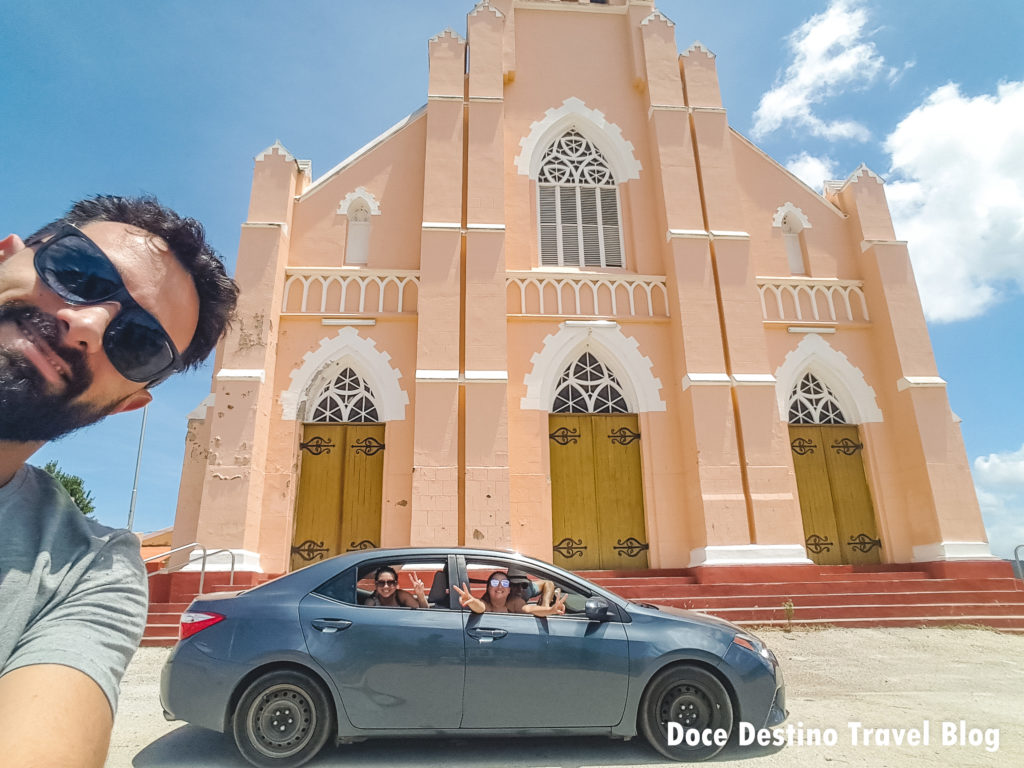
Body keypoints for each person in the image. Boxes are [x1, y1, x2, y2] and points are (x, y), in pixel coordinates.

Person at [0, 195, 238, 767]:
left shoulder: (90, 574)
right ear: (7, 254)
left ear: (128, 404)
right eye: (78, 272)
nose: (84, 325)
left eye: (137, 342)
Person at [453, 570, 567, 616]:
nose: (499, 586)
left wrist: (549, 610)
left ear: (508, 590)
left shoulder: (516, 601)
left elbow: (530, 609)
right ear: (488, 588)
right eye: (494, 582)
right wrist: (471, 601)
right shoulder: (486, 603)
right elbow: (480, 607)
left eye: (504, 583)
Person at [363, 566, 428, 608]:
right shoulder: (371, 602)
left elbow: (423, 612)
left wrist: (420, 595)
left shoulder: (401, 596)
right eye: (381, 583)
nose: (386, 586)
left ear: (396, 584)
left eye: (390, 582)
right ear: (376, 584)